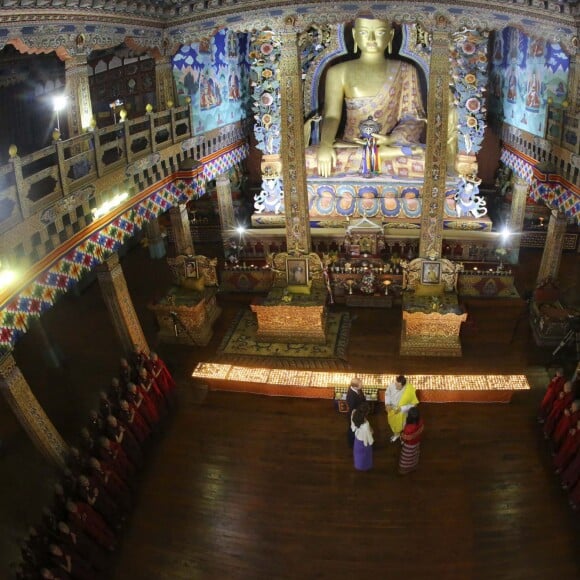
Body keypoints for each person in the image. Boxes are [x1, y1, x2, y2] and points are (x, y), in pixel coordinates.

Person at [309, 16, 426, 178]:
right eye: (364, 33)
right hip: (351, 146)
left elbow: (414, 117)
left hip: (390, 144)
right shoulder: (338, 72)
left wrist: (391, 139)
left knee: (429, 160)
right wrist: (326, 144)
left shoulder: (406, 70)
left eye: (379, 32)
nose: (371, 39)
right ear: (355, 34)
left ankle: (382, 153)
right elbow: (331, 115)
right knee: (309, 158)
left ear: (390, 35)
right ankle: (381, 155)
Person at [385, 374, 419, 442]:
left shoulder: (409, 390)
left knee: (403, 426)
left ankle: (403, 437)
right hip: (392, 410)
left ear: (403, 385)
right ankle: (396, 435)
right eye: (396, 384)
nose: (396, 387)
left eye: (398, 386)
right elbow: (387, 394)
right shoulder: (392, 386)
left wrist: (402, 408)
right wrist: (387, 404)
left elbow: (413, 405)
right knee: (393, 424)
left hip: (403, 413)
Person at [398, 406, 424, 475]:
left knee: (406, 457)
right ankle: (414, 466)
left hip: (409, 445)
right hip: (417, 442)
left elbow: (405, 438)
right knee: (414, 455)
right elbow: (421, 428)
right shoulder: (420, 421)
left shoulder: (408, 428)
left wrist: (400, 434)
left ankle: (404, 469)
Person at [351, 402, 374, 471]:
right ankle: (364, 466)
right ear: (366, 413)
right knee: (365, 456)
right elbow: (370, 439)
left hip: (357, 439)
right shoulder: (366, 425)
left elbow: (353, 427)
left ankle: (358, 465)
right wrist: (372, 431)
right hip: (364, 442)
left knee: (358, 455)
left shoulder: (354, 412)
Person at [346, 377, 366, 447]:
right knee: (353, 428)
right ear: (355, 386)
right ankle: (352, 443)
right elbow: (352, 408)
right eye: (361, 384)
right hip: (354, 414)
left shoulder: (358, 389)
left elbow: (362, 398)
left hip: (360, 412)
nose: (362, 385)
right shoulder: (351, 396)